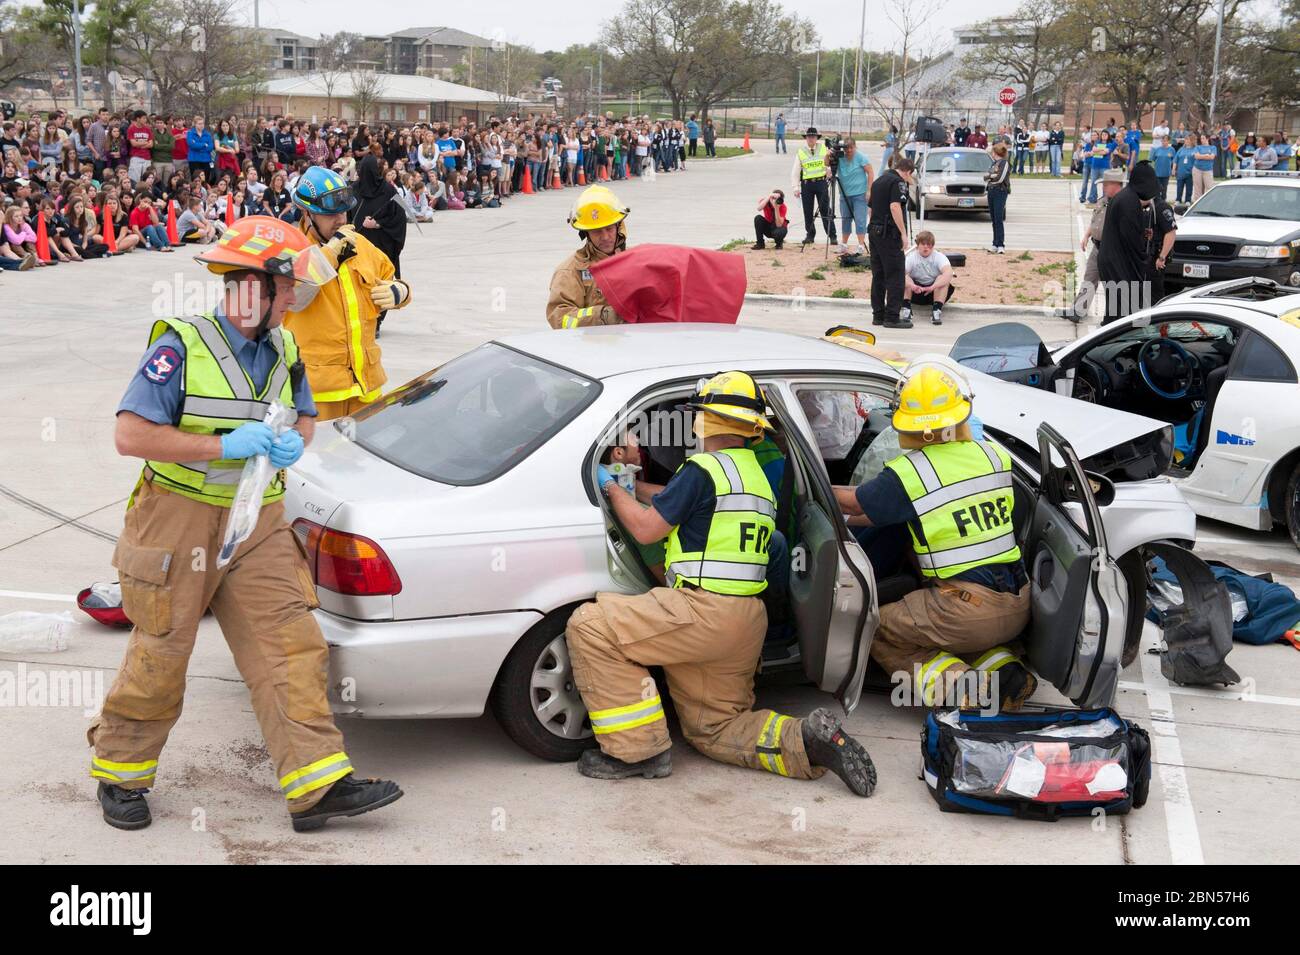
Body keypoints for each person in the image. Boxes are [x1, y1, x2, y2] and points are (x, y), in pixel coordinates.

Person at [90, 216, 402, 832]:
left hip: (257, 517)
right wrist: (223, 445)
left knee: (291, 642)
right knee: (164, 647)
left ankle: (316, 784)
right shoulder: (181, 343)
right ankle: (120, 773)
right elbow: (131, 434)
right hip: (177, 520)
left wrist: (291, 442)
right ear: (255, 287)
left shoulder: (284, 346)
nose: (295, 300)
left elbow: (306, 419)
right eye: (288, 290)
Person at [568, 371, 877, 794]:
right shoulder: (754, 476)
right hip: (747, 620)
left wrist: (611, 487)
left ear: (704, 420)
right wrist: (635, 485)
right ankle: (806, 741)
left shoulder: (702, 468)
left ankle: (636, 751)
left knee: (591, 625)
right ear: (751, 426)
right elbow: (686, 502)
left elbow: (644, 531)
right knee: (715, 730)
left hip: (701, 613)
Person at [833, 359, 1035, 711]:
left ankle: (967, 691)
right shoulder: (994, 456)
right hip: (1017, 604)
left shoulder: (914, 472)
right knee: (949, 628)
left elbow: (853, 503)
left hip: (965, 611)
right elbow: (883, 514)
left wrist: (812, 485)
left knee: (873, 626)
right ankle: (1005, 670)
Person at [283, 166, 412, 421]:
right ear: (307, 213)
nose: (341, 219)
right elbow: (296, 297)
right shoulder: (290, 249)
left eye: (343, 211)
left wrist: (401, 292)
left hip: (366, 385)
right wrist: (330, 253)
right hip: (319, 393)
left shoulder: (361, 244)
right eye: (330, 214)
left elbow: (391, 276)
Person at [546, 184, 629, 329]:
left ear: (619, 227)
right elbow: (559, 317)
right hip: (590, 347)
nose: (605, 236)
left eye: (609, 229)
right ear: (586, 234)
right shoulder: (570, 271)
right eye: (597, 231)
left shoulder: (634, 261)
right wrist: (602, 316)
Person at [350, 154, 407, 337]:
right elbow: (344, 214)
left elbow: (399, 219)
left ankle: (377, 321)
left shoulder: (388, 192)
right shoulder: (353, 190)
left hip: (381, 246)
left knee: (380, 284)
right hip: (357, 247)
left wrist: (377, 225)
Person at [1099, 161, 1160, 324]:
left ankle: (1108, 337)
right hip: (1118, 263)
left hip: (1113, 260)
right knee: (1123, 313)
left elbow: (1127, 231)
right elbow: (1130, 239)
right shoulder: (1129, 202)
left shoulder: (1127, 197)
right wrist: (1144, 259)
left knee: (1117, 309)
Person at [1066, 168, 1125, 321]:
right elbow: (1095, 222)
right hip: (1097, 246)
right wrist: (1086, 236)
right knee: (1089, 278)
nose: (1103, 187)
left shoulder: (1123, 204)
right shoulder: (1102, 201)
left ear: (1116, 185)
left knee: (1111, 284)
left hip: (1112, 250)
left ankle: (1115, 318)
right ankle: (1078, 311)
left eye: (1106, 184)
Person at [867, 155, 914, 328]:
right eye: (910, 176)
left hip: (874, 232)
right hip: (889, 234)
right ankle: (892, 316)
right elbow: (895, 207)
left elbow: (870, 208)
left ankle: (878, 315)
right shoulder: (897, 182)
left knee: (878, 275)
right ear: (907, 172)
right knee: (895, 275)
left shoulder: (879, 181)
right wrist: (903, 234)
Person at [901, 230, 954, 326]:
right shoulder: (911, 257)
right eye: (923, 244)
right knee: (904, 276)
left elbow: (949, 273)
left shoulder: (939, 256)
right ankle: (907, 310)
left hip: (933, 292)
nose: (926, 247)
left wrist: (933, 287)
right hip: (916, 291)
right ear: (917, 245)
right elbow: (899, 275)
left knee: (942, 278)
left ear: (933, 246)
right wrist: (912, 286)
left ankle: (936, 311)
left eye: (929, 244)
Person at [791, 127, 832, 246]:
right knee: (807, 212)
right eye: (809, 137)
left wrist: (829, 170)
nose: (811, 139)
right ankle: (810, 235)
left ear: (816, 138)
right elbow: (796, 171)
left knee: (825, 209)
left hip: (821, 183)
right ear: (806, 138)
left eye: (813, 137)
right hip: (807, 184)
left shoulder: (824, 148)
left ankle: (832, 235)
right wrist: (795, 187)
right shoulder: (801, 151)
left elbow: (829, 163)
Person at [835, 137, 873, 254]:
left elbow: (870, 172)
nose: (849, 150)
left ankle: (861, 244)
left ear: (855, 147)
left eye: (851, 148)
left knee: (860, 219)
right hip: (845, 194)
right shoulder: (840, 156)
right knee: (846, 219)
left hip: (859, 194)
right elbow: (827, 163)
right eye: (846, 148)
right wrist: (829, 154)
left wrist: (869, 190)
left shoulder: (861, 157)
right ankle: (844, 244)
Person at [985, 141, 1011, 254]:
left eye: (993, 151)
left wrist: (992, 177)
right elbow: (986, 176)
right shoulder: (993, 164)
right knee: (994, 219)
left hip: (1000, 191)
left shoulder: (1004, 163)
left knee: (999, 218)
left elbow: (1000, 178)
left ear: (997, 152)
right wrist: (991, 176)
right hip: (991, 191)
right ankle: (994, 243)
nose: (992, 153)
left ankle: (1001, 244)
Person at [1191, 133, 1216, 200]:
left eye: (1203, 138)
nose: (1202, 140)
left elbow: (1212, 157)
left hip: (1208, 170)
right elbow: (1196, 156)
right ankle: (1197, 203)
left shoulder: (1213, 147)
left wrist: (1201, 156)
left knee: (1209, 187)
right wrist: (1206, 155)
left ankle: (1208, 202)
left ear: (1207, 138)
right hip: (1197, 169)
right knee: (1198, 189)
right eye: (1201, 138)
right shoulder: (1198, 147)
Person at [1151, 134, 1175, 199]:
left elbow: (1174, 161)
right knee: (1157, 189)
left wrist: (1173, 170)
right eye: (1163, 140)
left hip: (1166, 173)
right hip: (1157, 173)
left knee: (1164, 189)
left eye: (1166, 141)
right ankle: (1158, 201)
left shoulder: (1171, 150)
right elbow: (1152, 160)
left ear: (1168, 141)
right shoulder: (1157, 149)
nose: (1164, 142)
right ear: (1161, 141)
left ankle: (1163, 201)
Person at [1174, 133, 1196, 204]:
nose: (1186, 141)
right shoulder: (1181, 149)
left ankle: (1188, 200)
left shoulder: (1195, 149)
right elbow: (1175, 160)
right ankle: (1178, 199)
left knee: (1189, 187)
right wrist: (1173, 169)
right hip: (1181, 172)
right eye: (1185, 139)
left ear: (1192, 141)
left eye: (1187, 139)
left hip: (1190, 172)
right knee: (1179, 187)